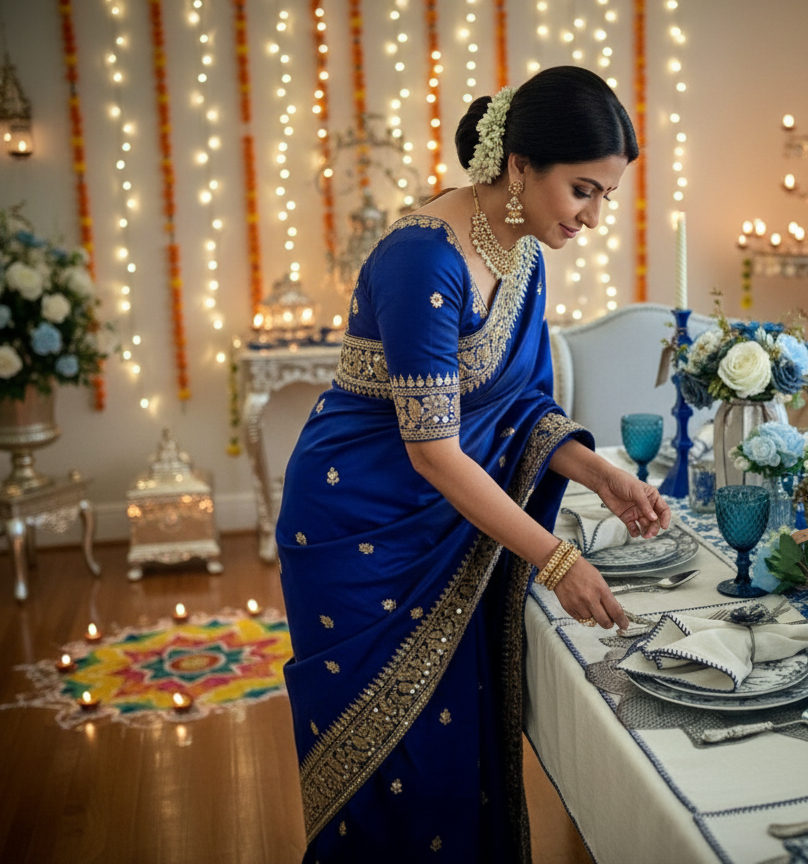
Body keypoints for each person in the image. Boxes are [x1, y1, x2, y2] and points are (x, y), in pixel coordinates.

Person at [276, 65, 671, 863]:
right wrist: (555, 558)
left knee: (459, 758)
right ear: (520, 166)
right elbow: (434, 453)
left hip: (451, 523)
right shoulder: (423, 258)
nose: (594, 218)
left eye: (605, 197)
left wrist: (607, 476)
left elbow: (519, 407)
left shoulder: (524, 251)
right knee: (395, 776)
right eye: (584, 191)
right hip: (364, 529)